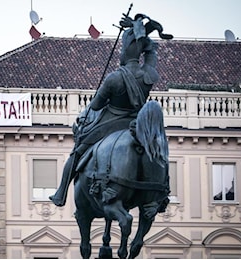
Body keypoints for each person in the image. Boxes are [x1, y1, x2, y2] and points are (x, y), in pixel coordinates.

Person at [49, 14, 173, 207]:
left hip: (110, 122)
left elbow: (96, 105)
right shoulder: (149, 74)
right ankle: (163, 191)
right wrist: (147, 45)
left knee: (77, 152)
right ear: (139, 53)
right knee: (159, 152)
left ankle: (60, 192)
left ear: (124, 52)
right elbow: (152, 56)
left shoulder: (114, 78)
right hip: (135, 122)